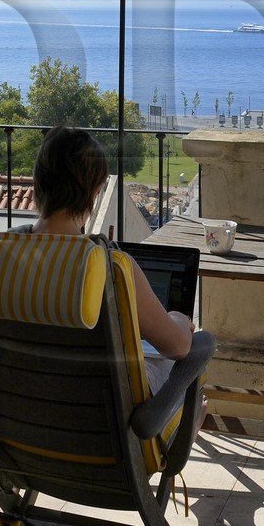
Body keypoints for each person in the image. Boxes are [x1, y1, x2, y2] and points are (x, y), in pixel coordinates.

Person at [30, 126, 197, 388]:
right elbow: (177, 347)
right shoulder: (113, 267)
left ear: (37, 182)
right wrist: (179, 319)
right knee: (189, 353)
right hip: (97, 402)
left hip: (21, 395)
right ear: (95, 191)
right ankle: (190, 414)